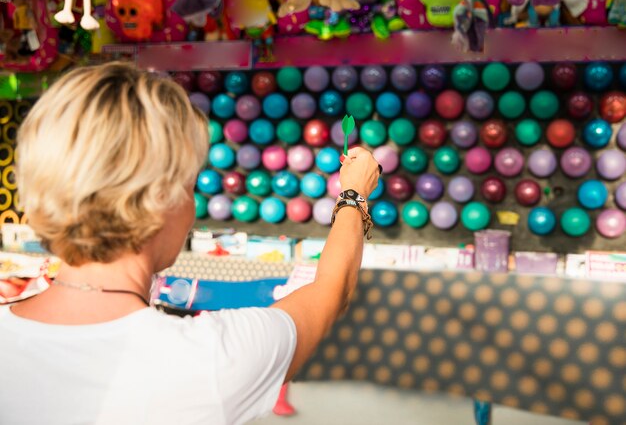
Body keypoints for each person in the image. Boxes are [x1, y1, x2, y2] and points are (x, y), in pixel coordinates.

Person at [0, 62, 380, 424]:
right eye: (189, 184)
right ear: (162, 198)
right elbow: (332, 291)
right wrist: (353, 193)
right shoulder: (211, 359)